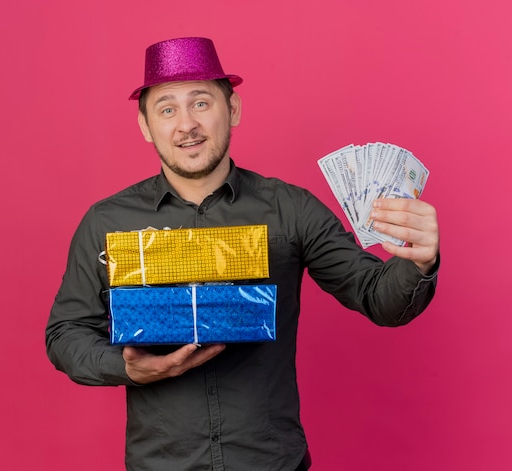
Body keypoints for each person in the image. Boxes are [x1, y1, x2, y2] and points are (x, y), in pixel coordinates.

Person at [46, 37, 439, 471]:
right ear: (145, 126)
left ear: (232, 109)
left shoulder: (289, 209)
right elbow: (66, 334)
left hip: (271, 462)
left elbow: (376, 296)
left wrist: (417, 261)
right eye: (167, 109)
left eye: (201, 103)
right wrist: (126, 367)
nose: (186, 125)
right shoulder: (107, 222)